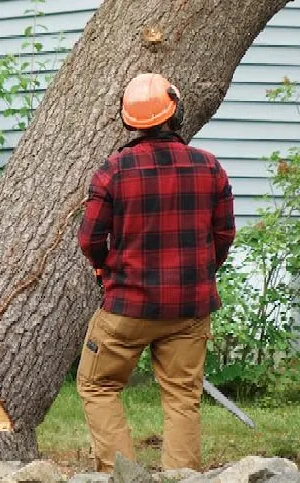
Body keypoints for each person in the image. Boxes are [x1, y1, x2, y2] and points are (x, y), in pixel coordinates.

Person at [76, 73, 236, 473]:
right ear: (175, 112)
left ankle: (120, 477)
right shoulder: (210, 167)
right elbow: (224, 234)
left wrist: (104, 271)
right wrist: (199, 274)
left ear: (129, 120)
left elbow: (90, 239)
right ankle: (183, 479)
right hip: (189, 308)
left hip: (127, 307)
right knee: (183, 397)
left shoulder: (113, 171)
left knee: (97, 385)